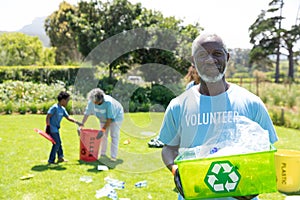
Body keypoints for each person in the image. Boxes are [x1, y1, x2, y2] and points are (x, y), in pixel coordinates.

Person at [158, 33, 278, 200]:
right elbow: (169, 148)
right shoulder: (178, 105)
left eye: (217, 53)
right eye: (202, 54)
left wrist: (253, 182)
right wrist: (175, 170)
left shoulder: (251, 103)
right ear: (193, 61)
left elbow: (267, 153)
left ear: (227, 57)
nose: (210, 60)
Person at [80, 88, 124, 161]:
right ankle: (102, 153)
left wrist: (103, 129)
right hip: (102, 118)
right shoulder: (91, 101)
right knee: (103, 136)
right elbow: (87, 113)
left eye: (95, 102)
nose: (94, 103)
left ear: (100, 99)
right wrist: (81, 125)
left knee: (114, 136)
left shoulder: (108, 103)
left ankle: (113, 156)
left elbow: (109, 118)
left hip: (116, 117)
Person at [46, 91, 83, 164]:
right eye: (67, 100)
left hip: (56, 128)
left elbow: (68, 117)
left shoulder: (62, 109)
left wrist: (77, 122)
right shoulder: (55, 107)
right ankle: (51, 160)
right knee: (57, 143)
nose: (67, 102)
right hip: (52, 128)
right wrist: (48, 127)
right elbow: (48, 117)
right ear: (63, 100)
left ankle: (60, 157)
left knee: (58, 143)